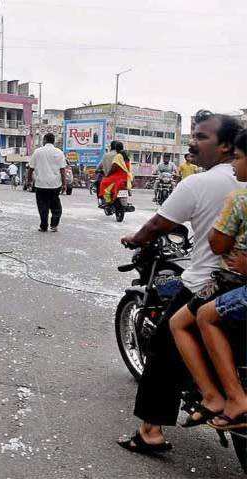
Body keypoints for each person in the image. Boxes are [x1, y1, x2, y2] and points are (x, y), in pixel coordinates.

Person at [117, 110, 244, 455]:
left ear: (226, 147)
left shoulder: (199, 183)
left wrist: (135, 238)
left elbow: (157, 225)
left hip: (209, 282)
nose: (193, 142)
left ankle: (151, 431)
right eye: (193, 135)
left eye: (202, 136)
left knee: (163, 343)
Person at [169, 129, 247, 430]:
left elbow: (217, 244)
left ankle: (217, 395)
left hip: (231, 280)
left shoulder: (239, 197)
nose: (235, 166)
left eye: (238, 159)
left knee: (186, 321)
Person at [28, 133, 67, 232]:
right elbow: (63, 170)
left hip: (40, 184)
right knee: (56, 206)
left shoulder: (37, 152)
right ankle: (54, 225)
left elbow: (30, 168)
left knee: (42, 206)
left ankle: (43, 226)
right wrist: (64, 184)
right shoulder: (59, 152)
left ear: (44, 140)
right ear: (53, 141)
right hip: (55, 185)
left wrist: (29, 181)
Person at [98, 141, 133, 205]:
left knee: (104, 183)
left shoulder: (118, 156)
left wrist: (108, 175)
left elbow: (114, 167)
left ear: (116, 148)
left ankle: (108, 201)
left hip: (118, 176)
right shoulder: (126, 156)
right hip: (126, 176)